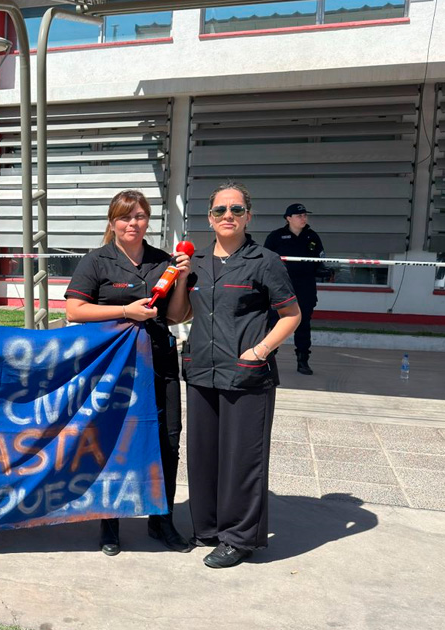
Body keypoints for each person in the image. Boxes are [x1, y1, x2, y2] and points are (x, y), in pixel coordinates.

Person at [64, 190, 192, 556]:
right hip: (114, 367)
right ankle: (110, 522)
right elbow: (74, 310)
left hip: (159, 362)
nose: (132, 223)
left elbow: (176, 315)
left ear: (148, 220)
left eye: (139, 216)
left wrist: (183, 279)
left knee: (167, 442)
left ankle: (162, 519)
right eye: (124, 217)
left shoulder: (163, 261)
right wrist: (125, 312)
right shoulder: (96, 261)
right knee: (113, 441)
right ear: (112, 222)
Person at [182, 181, 301, 569]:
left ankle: (239, 538)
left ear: (248, 216)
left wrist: (260, 350)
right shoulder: (196, 262)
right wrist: (178, 278)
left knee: (242, 459)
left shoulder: (265, 261)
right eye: (220, 210)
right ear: (209, 218)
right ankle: (208, 528)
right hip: (202, 371)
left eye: (236, 209)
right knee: (203, 456)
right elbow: (179, 314)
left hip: (246, 375)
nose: (227, 216)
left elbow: (292, 315)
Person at [263, 203, 325, 375]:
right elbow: (264, 261)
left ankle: (303, 361)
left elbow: (319, 259)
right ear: (288, 218)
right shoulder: (276, 236)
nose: (303, 218)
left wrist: (323, 270)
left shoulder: (312, 236)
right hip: (280, 286)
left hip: (305, 286)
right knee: (275, 323)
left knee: (303, 324)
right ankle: (267, 360)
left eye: (305, 215)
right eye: (299, 216)